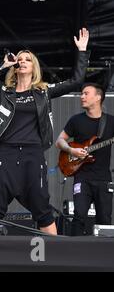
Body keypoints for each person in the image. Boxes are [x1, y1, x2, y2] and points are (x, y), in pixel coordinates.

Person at [0, 28, 90, 235]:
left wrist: (81, 51)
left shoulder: (43, 92)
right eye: (20, 59)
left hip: (32, 154)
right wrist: (4, 65)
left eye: (27, 59)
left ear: (33, 66)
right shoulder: (4, 92)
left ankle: (53, 259)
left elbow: (76, 81)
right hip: (4, 154)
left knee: (42, 209)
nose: (23, 61)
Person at [56, 82, 114, 235]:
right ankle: (74, 252)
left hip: (103, 178)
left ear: (98, 97)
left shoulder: (111, 121)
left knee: (105, 220)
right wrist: (71, 150)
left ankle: (104, 255)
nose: (82, 97)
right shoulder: (76, 120)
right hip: (82, 177)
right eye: (81, 93)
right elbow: (59, 141)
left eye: (86, 93)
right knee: (79, 216)